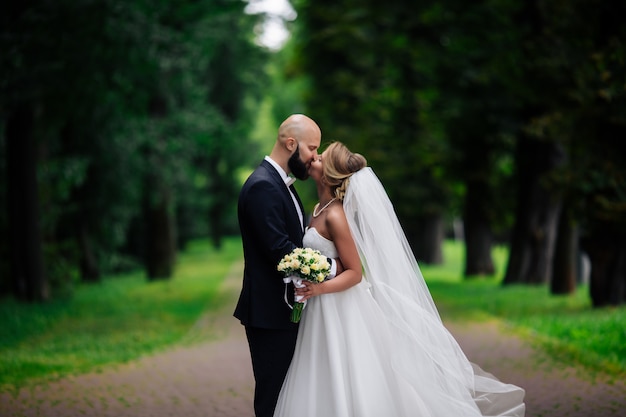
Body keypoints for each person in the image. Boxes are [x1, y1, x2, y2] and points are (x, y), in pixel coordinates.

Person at [273, 142, 526, 417]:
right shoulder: (318, 208)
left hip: (338, 307)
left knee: (345, 371)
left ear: (329, 174)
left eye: (321, 158)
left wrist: (318, 288)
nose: (314, 159)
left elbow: (356, 273)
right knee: (319, 369)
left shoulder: (336, 215)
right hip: (320, 308)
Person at [234, 114, 340, 417]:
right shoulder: (261, 187)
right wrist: (338, 268)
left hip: (284, 311)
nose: (315, 158)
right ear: (290, 143)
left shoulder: (283, 185)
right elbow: (283, 253)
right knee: (273, 399)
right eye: (312, 148)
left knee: (290, 398)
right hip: (269, 313)